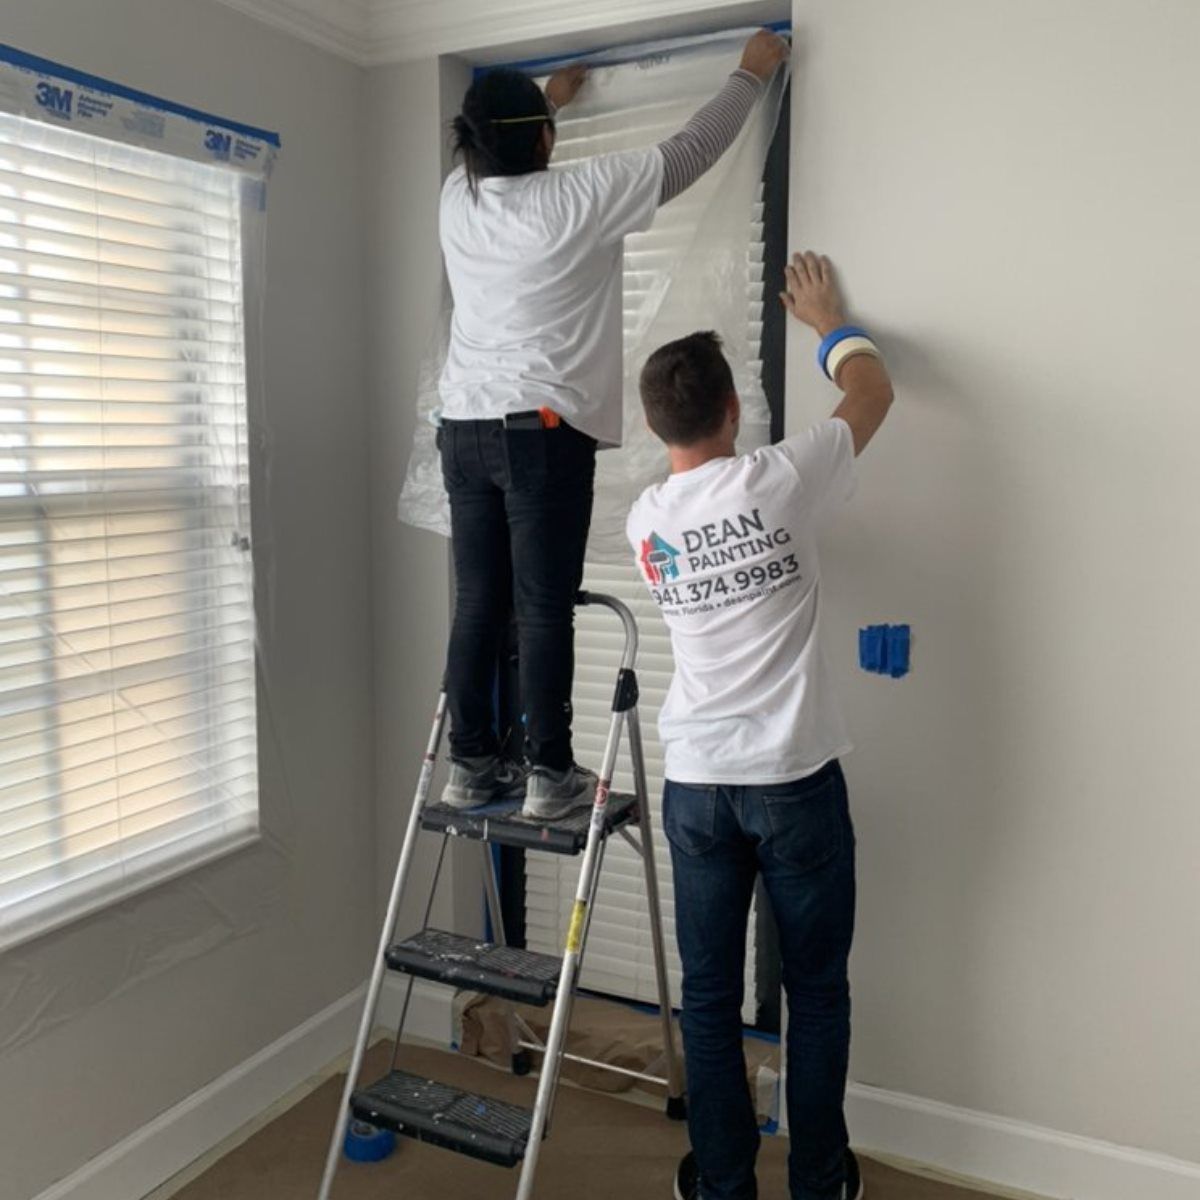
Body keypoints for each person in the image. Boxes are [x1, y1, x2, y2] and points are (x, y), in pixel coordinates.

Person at [436, 31, 790, 820]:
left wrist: (549, 102)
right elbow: (693, 149)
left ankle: (470, 765)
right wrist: (749, 73)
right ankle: (547, 775)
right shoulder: (578, 196)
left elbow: (503, 149)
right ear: (544, 145)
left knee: (478, 603)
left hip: (461, 430)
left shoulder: (455, 200)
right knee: (541, 604)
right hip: (541, 433)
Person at [626, 252, 895, 1200]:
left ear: (659, 427)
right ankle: (820, 1184)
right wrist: (827, 322)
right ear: (734, 413)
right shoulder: (783, 479)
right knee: (815, 993)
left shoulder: (645, 520)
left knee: (708, 997)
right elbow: (874, 389)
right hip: (793, 781)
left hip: (698, 783)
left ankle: (723, 1185)